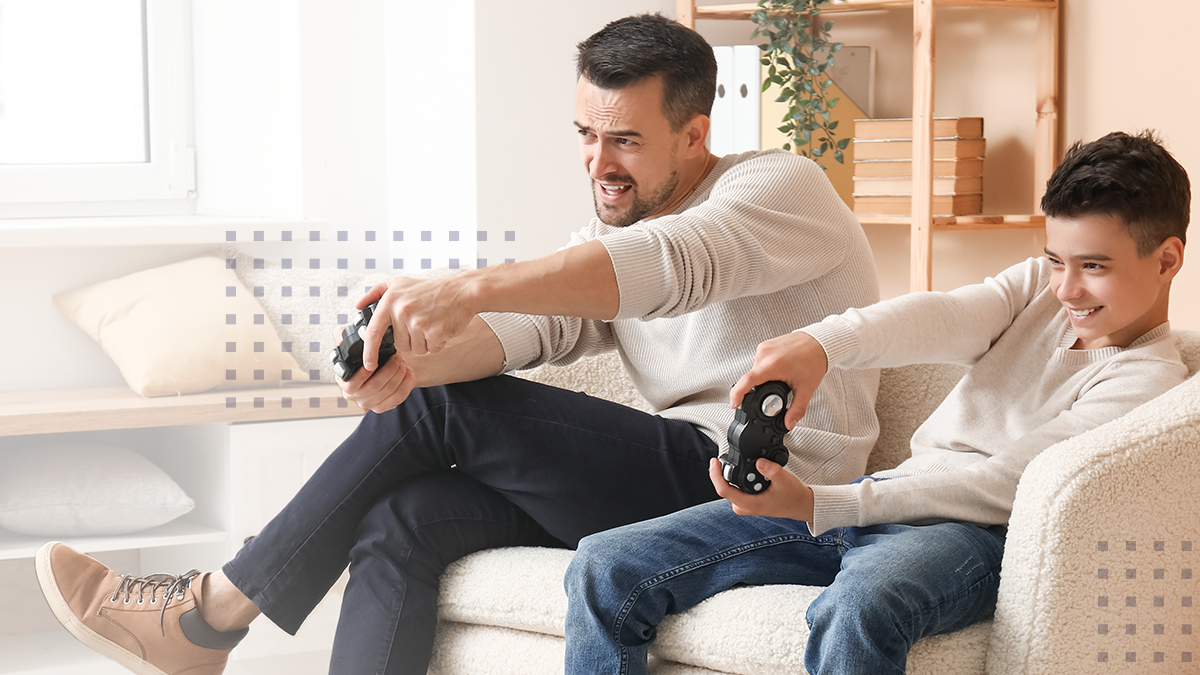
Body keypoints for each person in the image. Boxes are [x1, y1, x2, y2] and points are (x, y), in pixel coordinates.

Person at [34, 13, 881, 675]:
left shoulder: (779, 188)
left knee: (440, 413)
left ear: (695, 134)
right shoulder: (612, 230)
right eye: (585, 134)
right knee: (404, 517)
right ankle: (202, 624)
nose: (598, 162)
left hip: (776, 502)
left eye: (624, 138)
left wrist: (464, 289)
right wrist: (410, 360)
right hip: (677, 487)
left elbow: (673, 267)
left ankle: (207, 612)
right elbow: (533, 329)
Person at [562, 129, 1191, 675]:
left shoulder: (1148, 381)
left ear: (1167, 260)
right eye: (1056, 260)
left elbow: (1003, 484)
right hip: (884, 495)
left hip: (971, 538)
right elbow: (942, 316)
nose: (1067, 288)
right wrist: (819, 345)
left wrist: (823, 503)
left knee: (858, 608)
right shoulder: (1037, 291)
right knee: (606, 562)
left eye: (1094, 267)